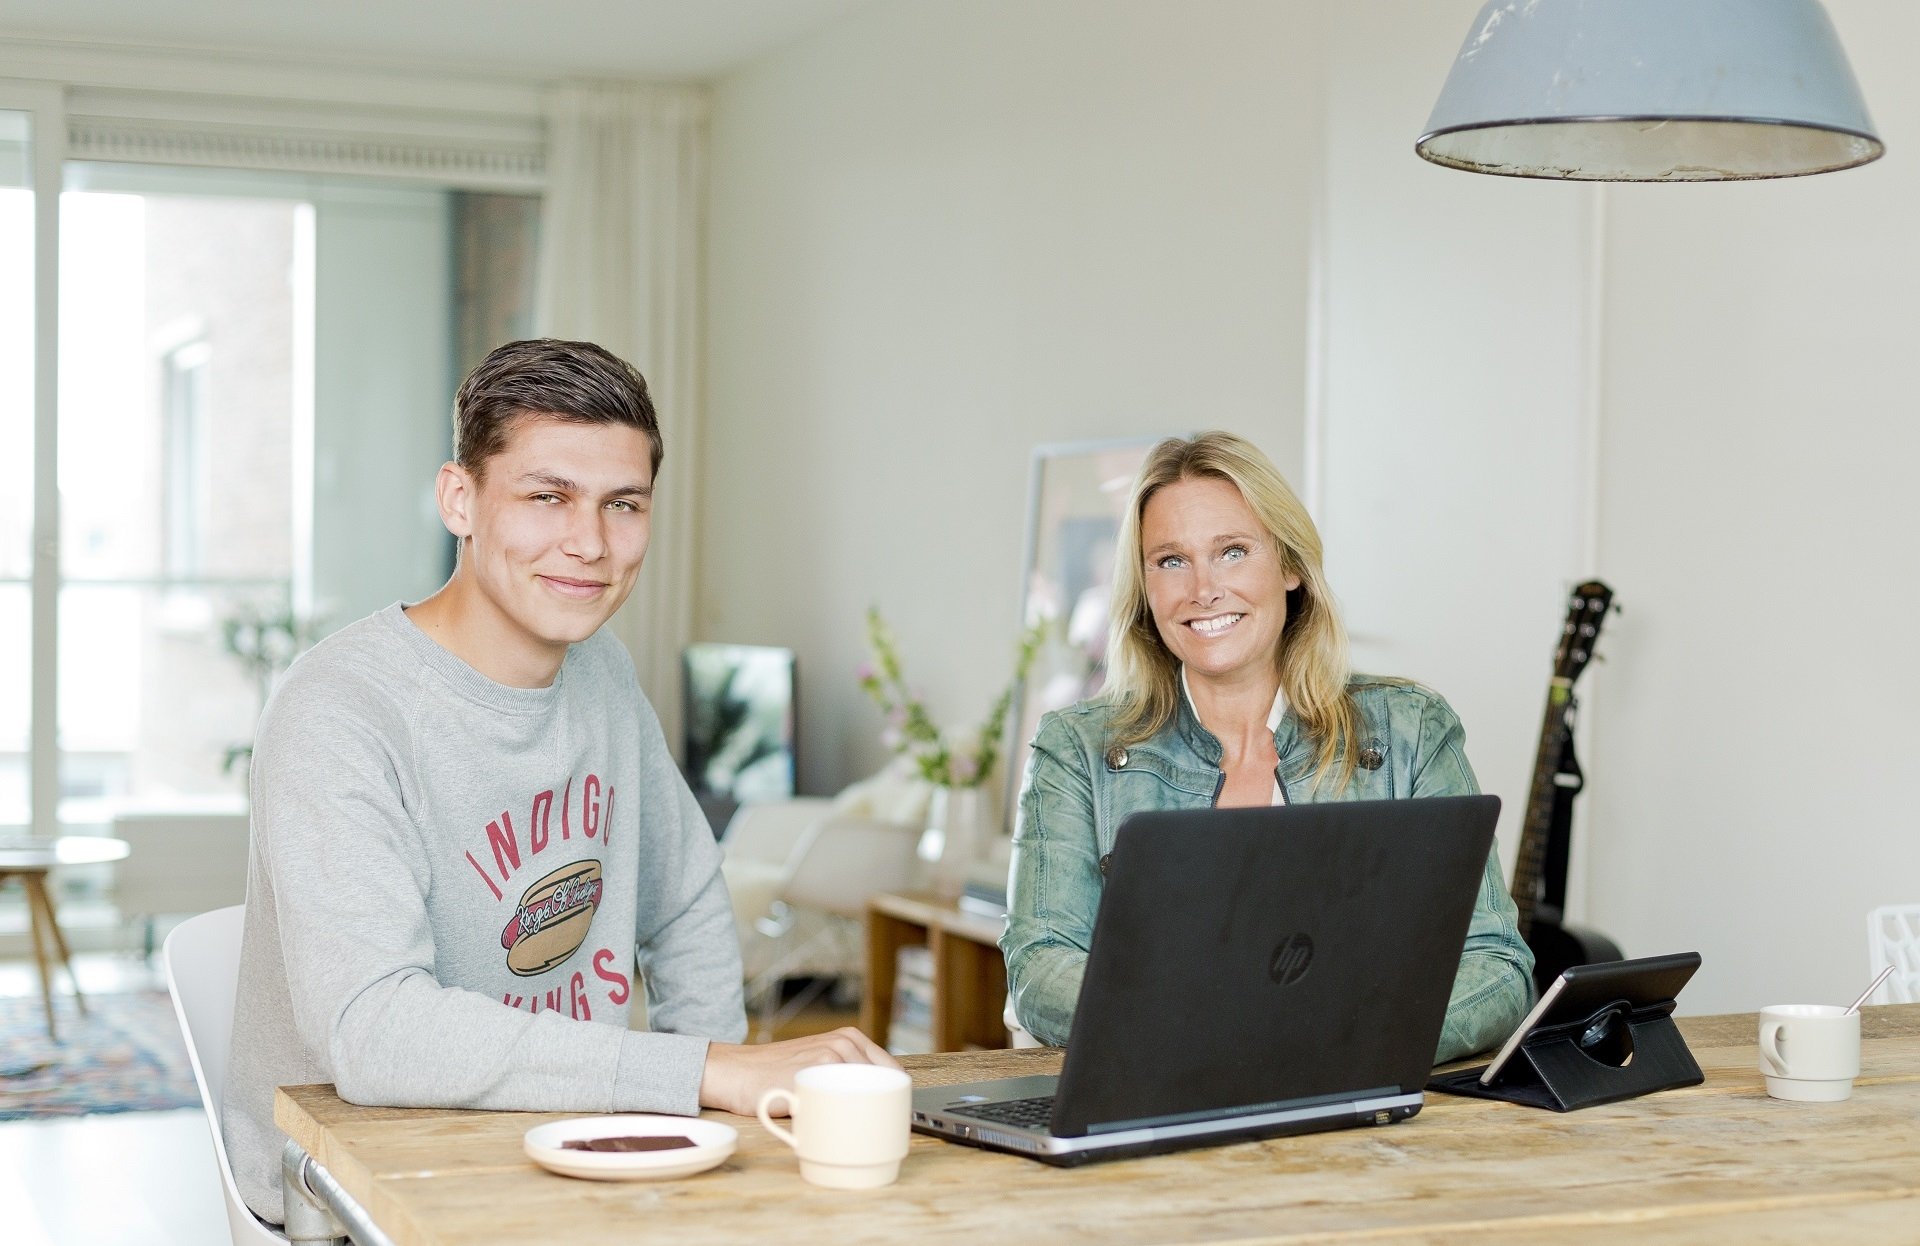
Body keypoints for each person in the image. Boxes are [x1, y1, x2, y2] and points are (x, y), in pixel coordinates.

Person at [223, 339, 893, 1223]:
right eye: (548, 497)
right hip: (357, 1192)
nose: (590, 544)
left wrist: (722, 1124)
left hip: (568, 1152)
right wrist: (705, 1074)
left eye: (624, 505)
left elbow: (686, 896)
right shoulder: (339, 709)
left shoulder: (601, 673)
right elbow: (375, 1032)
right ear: (460, 500)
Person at [1001, 431, 1533, 1062]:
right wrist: (1216, 1028)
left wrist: (1333, 1040)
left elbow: (1496, 965)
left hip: (1361, 1113)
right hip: (1156, 1103)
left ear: (1289, 567)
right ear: (1144, 586)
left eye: (1231, 552)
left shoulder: (1411, 731)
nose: (1203, 589)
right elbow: (1041, 967)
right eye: (1171, 560)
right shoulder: (1076, 749)